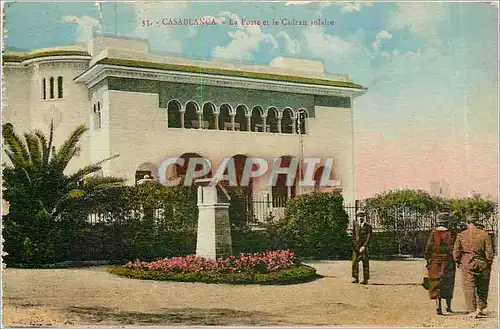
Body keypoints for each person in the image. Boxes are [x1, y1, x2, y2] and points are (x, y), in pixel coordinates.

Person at [453, 215, 494, 318]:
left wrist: (458, 262)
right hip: (482, 263)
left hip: (467, 264)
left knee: (469, 287)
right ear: (476, 222)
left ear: (467, 223)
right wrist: (488, 263)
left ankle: (471, 310)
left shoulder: (461, 235)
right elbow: (489, 252)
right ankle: (481, 308)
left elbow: (456, 252)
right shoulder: (485, 234)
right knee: (482, 286)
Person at [424, 212, 456, 315]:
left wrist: (428, 259)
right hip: (448, 262)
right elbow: (454, 249)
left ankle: (438, 306)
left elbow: (428, 248)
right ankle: (448, 306)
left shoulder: (433, 233)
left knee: (436, 283)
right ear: (447, 223)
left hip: (435, 262)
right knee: (448, 283)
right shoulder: (451, 233)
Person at [352, 210, 373, 284]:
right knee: (354, 262)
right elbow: (354, 235)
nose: (360, 218)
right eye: (359, 216)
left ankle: (365, 279)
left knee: (365, 262)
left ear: (364, 217)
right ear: (357, 217)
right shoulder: (356, 225)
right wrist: (354, 244)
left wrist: (364, 246)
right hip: (356, 247)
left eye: (362, 216)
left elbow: (369, 237)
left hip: (364, 247)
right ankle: (355, 278)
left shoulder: (368, 226)